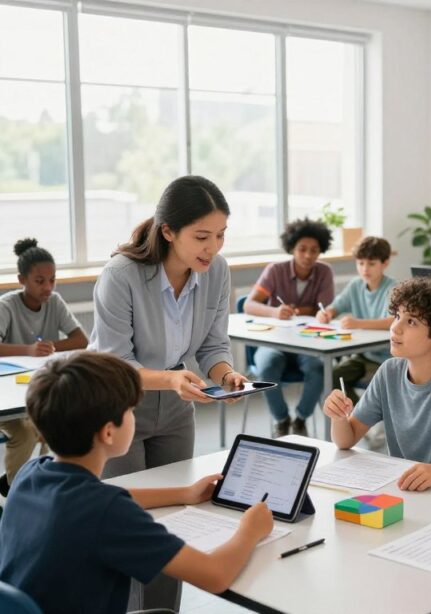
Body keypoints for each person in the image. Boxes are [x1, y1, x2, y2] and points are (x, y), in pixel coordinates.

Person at [0, 352, 273, 614]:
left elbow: (102, 495)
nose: (133, 415)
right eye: (131, 410)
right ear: (108, 432)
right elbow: (215, 575)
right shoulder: (107, 513)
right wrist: (250, 530)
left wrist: (184, 493)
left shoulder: (31, 473)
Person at [89, 175, 248, 478]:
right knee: (128, 505)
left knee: (177, 501)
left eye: (220, 235)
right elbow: (117, 364)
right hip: (117, 401)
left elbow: (212, 346)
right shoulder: (121, 275)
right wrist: (172, 380)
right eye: (202, 237)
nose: (212, 248)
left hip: (175, 406)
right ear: (168, 231)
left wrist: (227, 374)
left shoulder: (217, 272)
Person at [323, 277, 431, 491]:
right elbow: (346, 440)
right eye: (397, 316)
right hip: (407, 488)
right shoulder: (388, 372)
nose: (395, 327)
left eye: (411, 322)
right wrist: (338, 417)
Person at [0, 238, 88, 496]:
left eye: (52, 280)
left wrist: (50, 346)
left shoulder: (55, 301)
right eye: (40, 281)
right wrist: (28, 349)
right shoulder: (6, 306)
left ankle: (42, 477)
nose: (48, 287)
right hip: (7, 393)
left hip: (36, 386)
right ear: (21, 279)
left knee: (60, 421)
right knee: (27, 432)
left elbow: (81, 340)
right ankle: (14, 488)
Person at [245, 217, 334, 438]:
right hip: (275, 341)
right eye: (302, 249)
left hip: (308, 344)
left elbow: (323, 309)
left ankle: (301, 419)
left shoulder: (325, 272)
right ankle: (282, 419)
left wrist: (297, 311)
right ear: (292, 248)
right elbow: (249, 304)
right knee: (266, 365)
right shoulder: (275, 270)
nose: (308, 255)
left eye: (314, 250)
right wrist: (275, 312)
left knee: (318, 368)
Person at [315, 236, 397, 405]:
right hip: (363, 356)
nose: (365, 269)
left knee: (380, 389)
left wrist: (357, 323)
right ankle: (355, 421)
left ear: (385, 263)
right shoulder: (355, 285)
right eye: (360, 263)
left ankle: (363, 420)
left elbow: (392, 321)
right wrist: (326, 313)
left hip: (387, 358)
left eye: (371, 264)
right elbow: (336, 306)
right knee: (332, 377)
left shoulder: (393, 288)